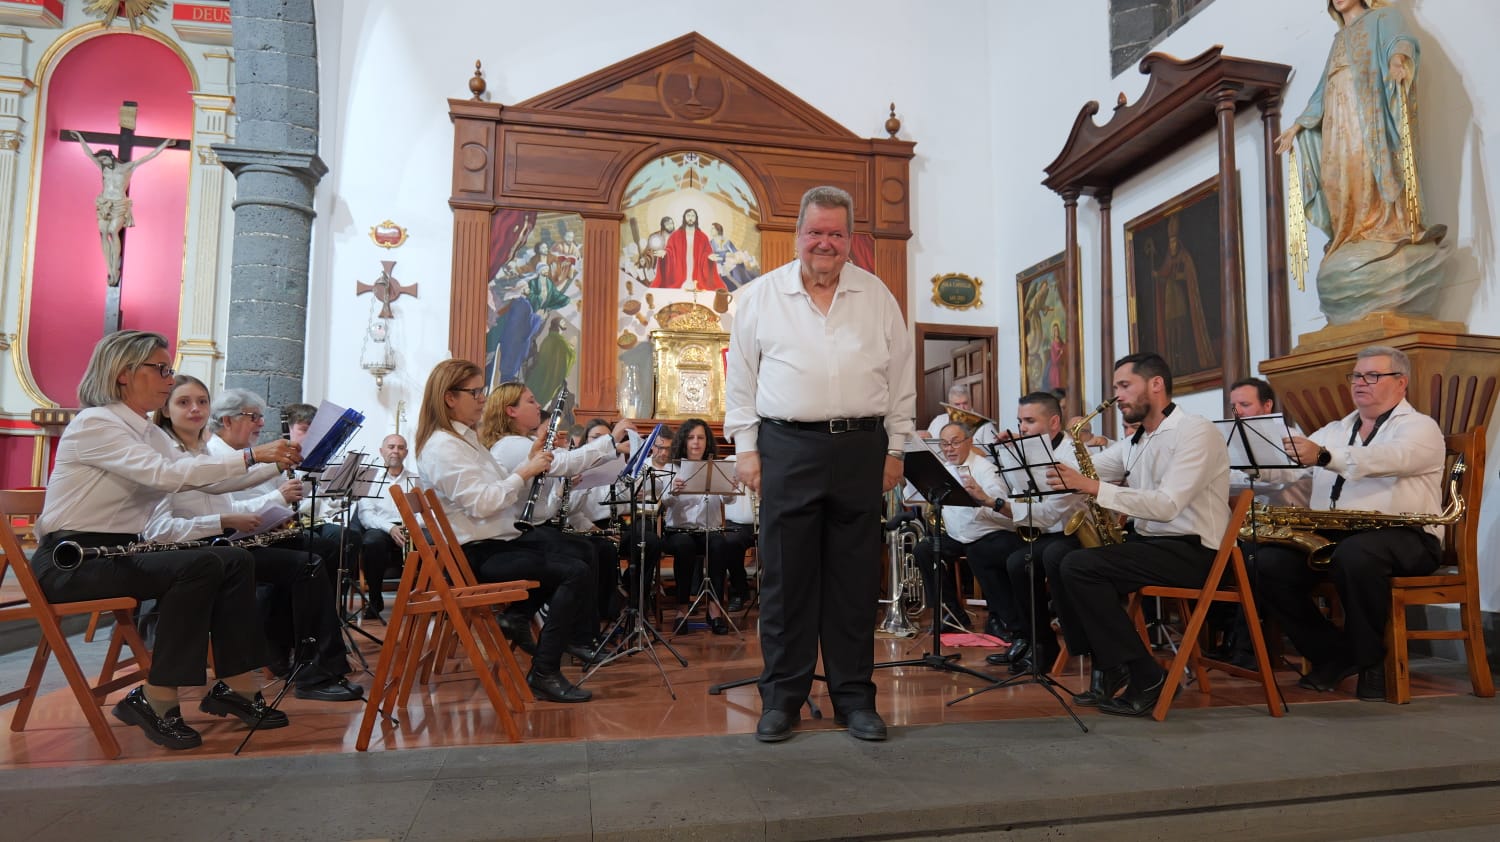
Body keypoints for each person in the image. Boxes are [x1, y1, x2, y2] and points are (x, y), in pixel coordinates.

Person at [32, 331, 300, 749]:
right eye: (160, 369)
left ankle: (238, 685)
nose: (169, 379)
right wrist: (253, 454)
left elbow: (207, 482)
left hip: (118, 554)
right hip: (72, 561)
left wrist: (275, 463)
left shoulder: (150, 434)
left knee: (235, 560)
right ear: (123, 373)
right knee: (202, 563)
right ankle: (157, 698)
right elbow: (166, 476)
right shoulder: (96, 423)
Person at [725, 185, 916, 743]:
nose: (825, 243)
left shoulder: (877, 295)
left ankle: (854, 699)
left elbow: (901, 380)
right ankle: (782, 699)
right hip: (786, 448)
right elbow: (741, 383)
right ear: (798, 235)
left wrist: (897, 449)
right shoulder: (761, 296)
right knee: (786, 580)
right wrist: (746, 449)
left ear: (850, 238)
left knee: (854, 581)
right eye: (815, 232)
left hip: (861, 448)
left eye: (835, 233)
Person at [144, 375, 363, 703]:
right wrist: (236, 514)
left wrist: (276, 469)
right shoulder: (165, 455)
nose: (196, 409)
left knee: (320, 550)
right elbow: (159, 529)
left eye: (202, 402)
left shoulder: (201, 450)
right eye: (184, 402)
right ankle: (312, 669)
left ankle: (296, 654)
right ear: (166, 409)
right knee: (308, 565)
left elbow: (227, 494)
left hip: (225, 539)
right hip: (200, 550)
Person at [1254, 345, 1444, 700]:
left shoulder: (1420, 427)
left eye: (1372, 376)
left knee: (1356, 556)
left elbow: (1389, 458)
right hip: (1336, 537)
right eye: (1356, 375)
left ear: (1401, 382)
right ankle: (1333, 654)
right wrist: (1249, 460)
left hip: (1408, 536)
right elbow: (1289, 467)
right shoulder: (1333, 430)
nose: (1360, 382)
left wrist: (1324, 456)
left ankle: (1371, 663)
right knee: (1267, 562)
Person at [1045, 352, 1230, 717]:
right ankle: (1108, 665)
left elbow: (1168, 505)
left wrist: (1093, 487)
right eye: (1116, 387)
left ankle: (1146, 676)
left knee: (1081, 567)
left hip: (1195, 552)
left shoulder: (1196, 431)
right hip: (1152, 546)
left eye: (1125, 386)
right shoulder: (1136, 442)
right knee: (1057, 556)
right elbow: (1085, 468)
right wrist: (1037, 466)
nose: (1117, 396)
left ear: (1156, 384)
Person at [413, 360, 599, 703]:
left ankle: (522, 621)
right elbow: (483, 503)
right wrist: (526, 471)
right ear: (450, 398)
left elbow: (499, 485)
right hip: (475, 555)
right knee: (575, 571)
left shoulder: (465, 440)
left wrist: (530, 460)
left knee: (578, 553)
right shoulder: (442, 447)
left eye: (481, 391)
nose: (482, 399)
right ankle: (544, 671)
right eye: (475, 392)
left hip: (495, 541)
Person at [1275, 0, 1447, 324]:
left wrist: (1397, 61)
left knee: (1366, 165)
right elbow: (1320, 91)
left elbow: (1401, 41)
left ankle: (1380, 226)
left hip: (1365, 113)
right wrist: (1298, 125)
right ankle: (1352, 230)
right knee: (1336, 177)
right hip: (1336, 117)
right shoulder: (1339, 38)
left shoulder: (1383, 17)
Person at [479, 382, 631, 649]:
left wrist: (563, 485)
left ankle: (528, 616)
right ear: (511, 411)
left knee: (590, 549)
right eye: (531, 401)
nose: (539, 405)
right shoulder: (511, 445)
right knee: (582, 553)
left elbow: (548, 503)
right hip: (513, 535)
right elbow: (567, 462)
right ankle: (578, 638)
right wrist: (612, 440)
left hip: (531, 527)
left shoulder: (525, 442)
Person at [975, 392, 1089, 674]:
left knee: (1020, 562)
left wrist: (997, 504)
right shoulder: (1028, 450)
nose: (1022, 428)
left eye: (1029, 421)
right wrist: (1007, 455)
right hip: (1040, 529)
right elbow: (1018, 492)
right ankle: (1022, 635)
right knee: (984, 550)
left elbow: (1050, 514)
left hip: (1072, 534)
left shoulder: (1070, 455)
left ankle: (1045, 645)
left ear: (1053, 422)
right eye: (1020, 422)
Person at [912, 421, 1025, 637]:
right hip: (958, 535)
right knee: (924, 550)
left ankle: (999, 617)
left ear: (969, 442)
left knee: (978, 550)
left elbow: (1000, 504)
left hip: (986, 532)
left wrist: (980, 498)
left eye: (955, 443)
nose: (949, 449)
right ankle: (951, 613)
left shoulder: (985, 469)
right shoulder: (943, 470)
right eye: (944, 444)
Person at [657, 418, 736, 635]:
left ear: (707, 441)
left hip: (708, 531)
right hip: (678, 532)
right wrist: (674, 491)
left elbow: (728, 501)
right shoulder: (672, 467)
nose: (696, 442)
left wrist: (730, 489)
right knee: (685, 546)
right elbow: (665, 502)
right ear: (684, 441)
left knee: (719, 544)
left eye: (700, 438)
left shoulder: (715, 467)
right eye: (691, 437)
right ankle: (682, 609)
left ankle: (715, 609)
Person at [70, 131, 174, 287]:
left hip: (119, 204)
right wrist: (79, 137)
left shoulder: (127, 167)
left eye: (104, 159)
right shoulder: (103, 167)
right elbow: (89, 154)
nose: (103, 163)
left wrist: (165, 143)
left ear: (111, 157)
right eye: (101, 161)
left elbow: (150, 155)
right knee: (103, 232)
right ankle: (110, 269)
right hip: (104, 203)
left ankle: (115, 267)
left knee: (113, 231)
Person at [356, 433, 421, 619]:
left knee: (431, 540)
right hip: (381, 527)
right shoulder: (368, 479)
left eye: (400, 448)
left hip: (410, 525)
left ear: (406, 453)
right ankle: (375, 600)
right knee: (372, 543)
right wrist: (390, 528)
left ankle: (423, 598)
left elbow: (424, 511)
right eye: (391, 447)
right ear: (381, 451)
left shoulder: (416, 479)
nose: (395, 451)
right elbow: (366, 515)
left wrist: (411, 527)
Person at [652, 208, 724, 290]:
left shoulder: (702, 236)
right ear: (684, 217)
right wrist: (665, 253)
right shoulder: (675, 235)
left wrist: (708, 256)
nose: (690, 218)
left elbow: (707, 251)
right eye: (688, 215)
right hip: (680, 270)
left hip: (696, 269)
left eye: (693, 216)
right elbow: (670, 249)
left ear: (696, 218)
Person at [925, 384, 997, 445]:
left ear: (971, 403)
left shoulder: (985, 425)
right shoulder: (938, 421)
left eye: (965, 403)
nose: (962, 408)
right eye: (957, 404)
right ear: (950, 404)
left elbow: (995, 451)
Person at [708, 222, 758, 291]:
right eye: (711, 229)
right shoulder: (711, 243)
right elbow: (712, 255)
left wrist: (735, 255)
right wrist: (725, 254)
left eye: (713, 228)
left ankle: (744, 283)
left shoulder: (726, 241)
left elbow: (734, 251)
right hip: (720, 262)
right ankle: (738, 286)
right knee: (727, 271)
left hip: (731, 261)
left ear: (718, 229)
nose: (711, 230)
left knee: (738, 265)